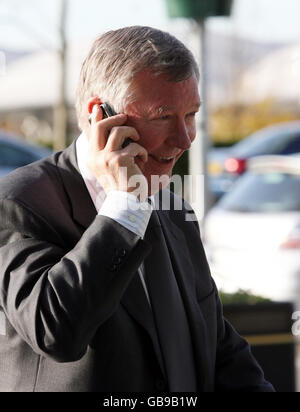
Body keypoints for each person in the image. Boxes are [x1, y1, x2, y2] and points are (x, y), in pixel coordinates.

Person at [0, 26, 274, 392]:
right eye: (163, 116)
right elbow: (56, 331)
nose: (185, 139)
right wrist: (124, 206)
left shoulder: (173, 209)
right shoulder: (19, 202)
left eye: (191, 115)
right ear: (101, 116)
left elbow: (215, 343)